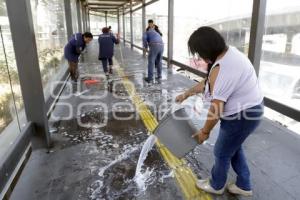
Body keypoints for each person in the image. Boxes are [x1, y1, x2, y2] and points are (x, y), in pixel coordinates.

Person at [176, 27, 264, 196]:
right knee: (233, 147)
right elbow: (207, 82)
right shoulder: (227, 54)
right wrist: (187, 94)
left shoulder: (225, 68)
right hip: (249, 110)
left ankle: (216, 185)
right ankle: (244, 185)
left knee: (221, 152)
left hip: (243, 116)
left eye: (199, 52)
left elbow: (216, 109)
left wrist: (204, 132)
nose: (199, 56)